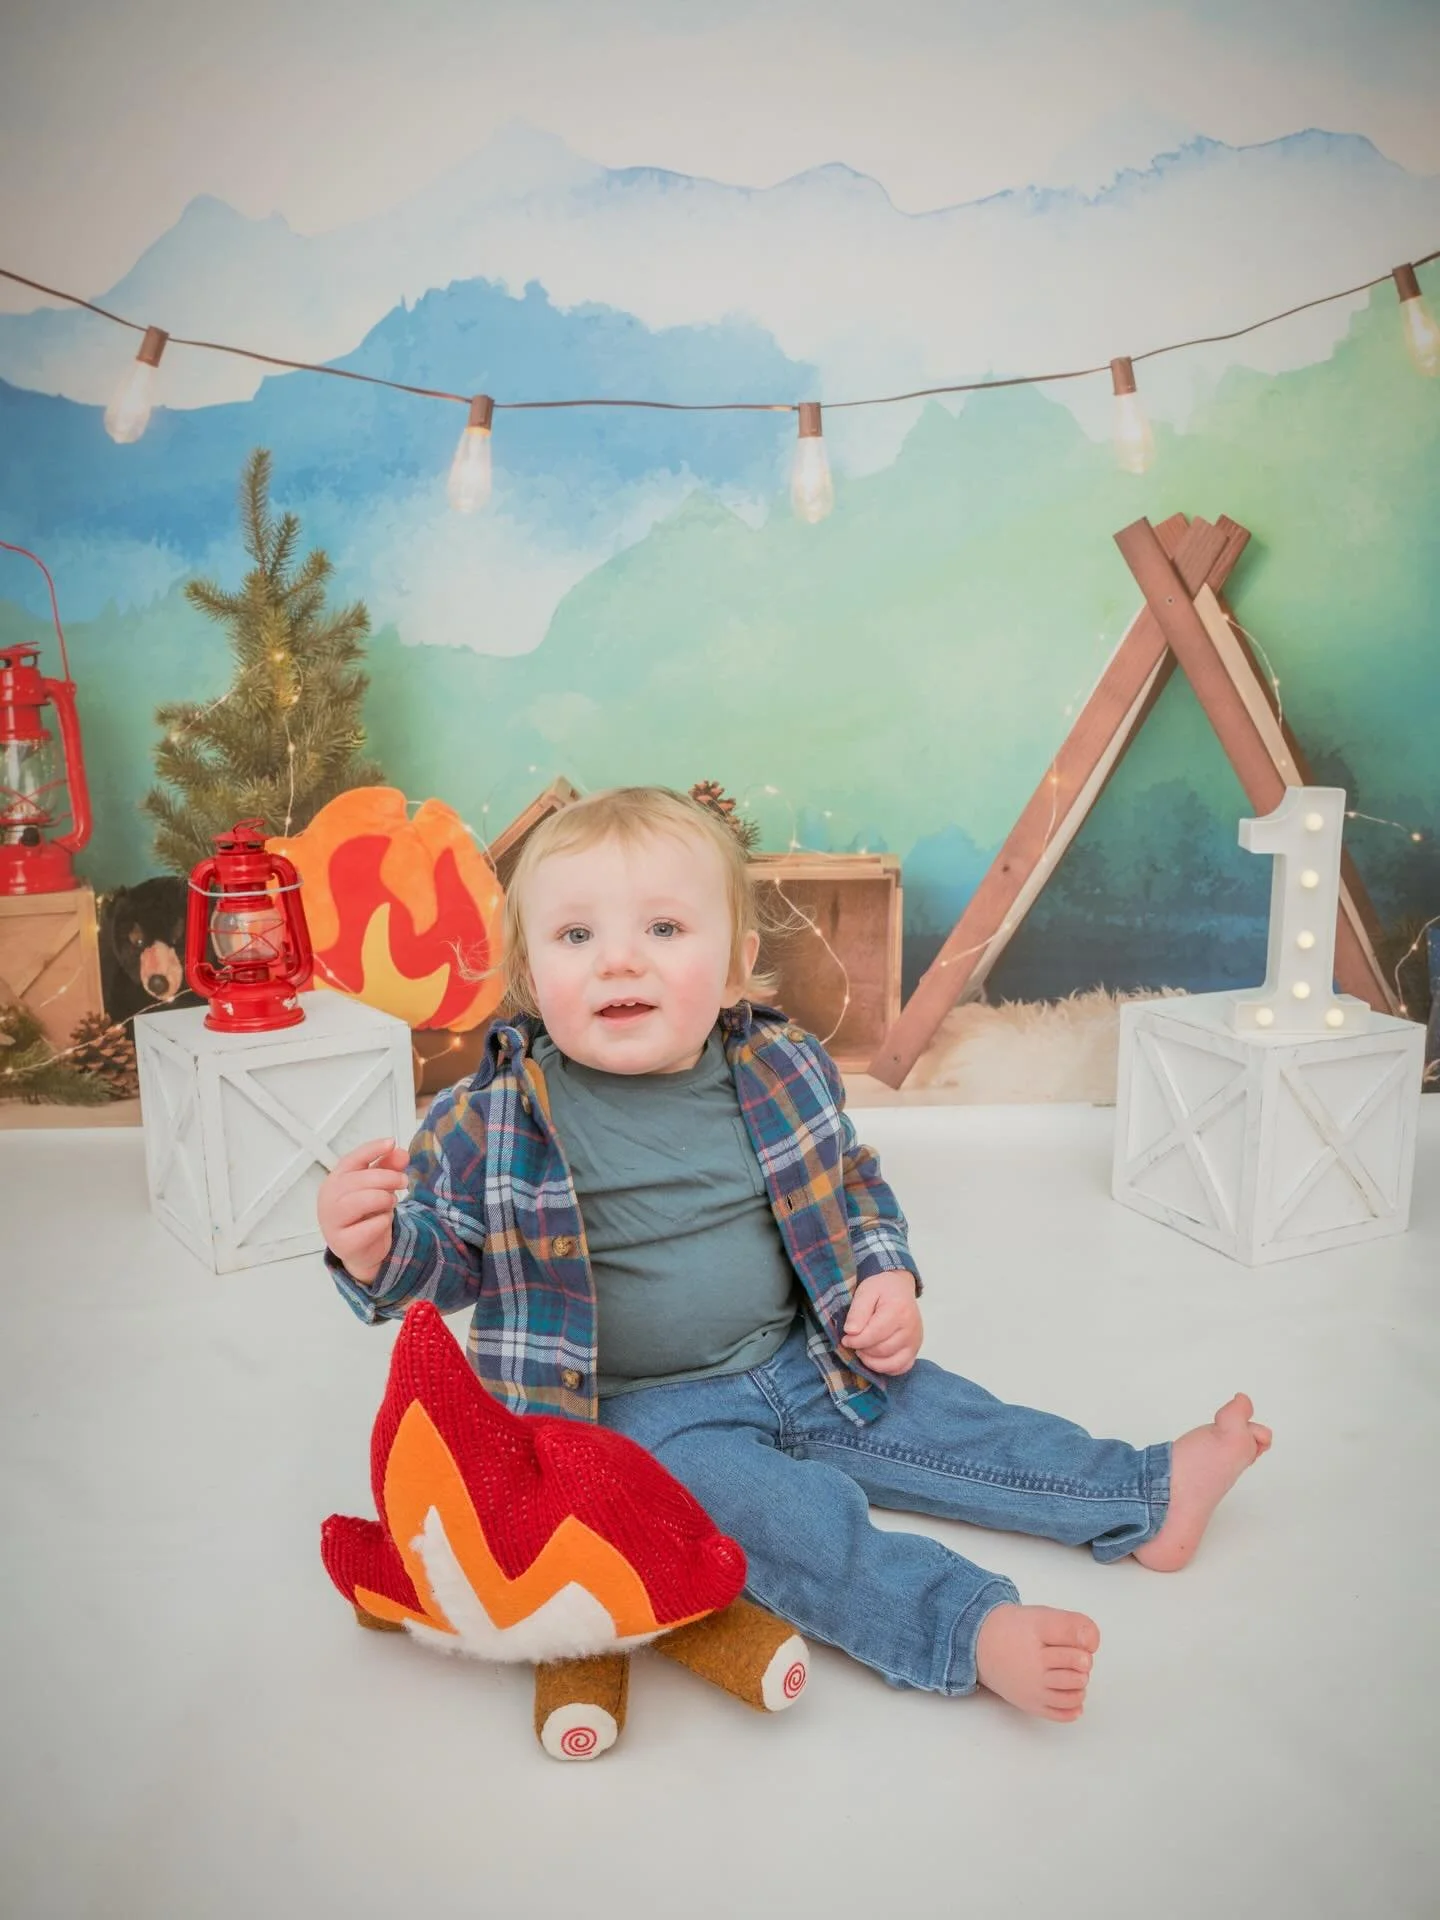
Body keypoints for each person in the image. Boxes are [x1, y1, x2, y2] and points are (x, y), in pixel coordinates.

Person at [318, 786, 1271, 1721]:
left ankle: (1144, 1495)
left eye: (663, 928)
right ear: (531, 973)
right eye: (576, 936)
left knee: (962, 1423)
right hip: (642, 1416)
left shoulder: (779, 1066)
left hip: (808, 1356)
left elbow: (848, 1181)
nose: (618, 961)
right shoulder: (492, 1116)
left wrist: (884, 1272)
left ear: (736, 964)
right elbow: (448, 1262)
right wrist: (377, 1249)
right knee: (789, 1526)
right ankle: (966, 1629)